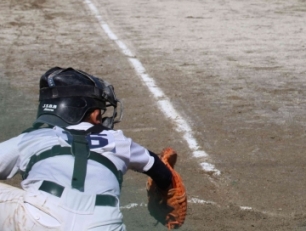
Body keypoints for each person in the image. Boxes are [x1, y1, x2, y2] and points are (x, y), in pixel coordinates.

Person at [0, 67, 178, 230]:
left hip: (39, 220)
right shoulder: (118, 140)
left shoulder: (33, 138)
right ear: (95, 115)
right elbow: (161, 171)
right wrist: (164, 190)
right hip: (104, 224)